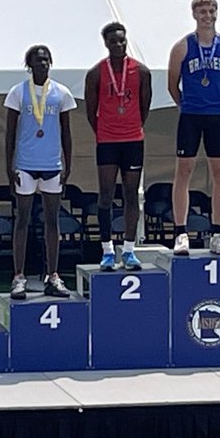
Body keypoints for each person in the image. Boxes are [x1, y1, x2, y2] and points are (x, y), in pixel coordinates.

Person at [168, 0, 220, 256]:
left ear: (217, 13)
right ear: (194, 15)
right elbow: (172, 83)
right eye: (202, 11)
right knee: (184, 171)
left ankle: (218, 233)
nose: (207, 15)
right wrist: (186, 103)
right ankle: (180, 232)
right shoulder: (182, 47)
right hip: (190, 114)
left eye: (211, 10)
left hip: (217, 115)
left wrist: (217, 101)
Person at [5, 45, 76, 299]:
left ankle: (53, 275)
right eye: (38, 60)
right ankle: (19, 276)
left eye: (46, 60)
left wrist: (68, 164)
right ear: (29, 64)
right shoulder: (18, 93)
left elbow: (66, 132)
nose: (43, 64)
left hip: (52, 166)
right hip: (25, 164)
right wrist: (9, 166)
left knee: (52, 222)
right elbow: (10, 133)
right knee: (22, 221)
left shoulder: (61, 93)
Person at [85, 22, 152, 271]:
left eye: (122, 40)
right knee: (106, 194)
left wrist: (131, 127)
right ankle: (107, 250)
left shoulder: (141, 71)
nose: (119, 45)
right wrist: (104, 132)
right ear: (106, 43)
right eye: (113, 41)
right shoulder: (96, 73)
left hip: (133, 139)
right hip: (107, 141)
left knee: (131, 195)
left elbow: (145, 107)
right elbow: (91, 111)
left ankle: (130, 250)